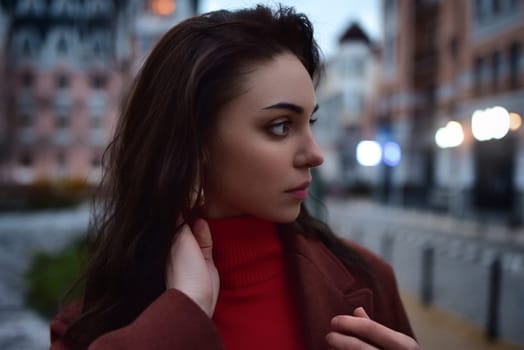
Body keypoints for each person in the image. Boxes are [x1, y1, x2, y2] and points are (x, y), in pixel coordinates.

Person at [50, 5, 420, 350]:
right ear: (194, 142)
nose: (316, 154)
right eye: (280, 126)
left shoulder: (370, 280)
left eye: (311, 122)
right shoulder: (90, 324)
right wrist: (182, 313)